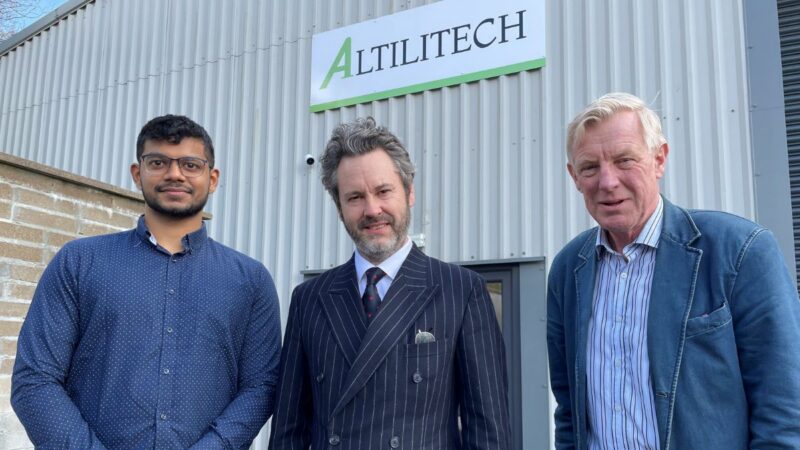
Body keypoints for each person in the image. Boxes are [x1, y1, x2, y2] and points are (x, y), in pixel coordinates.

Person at [546, 92, 800, 449]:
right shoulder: (568, 269)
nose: (607, 182)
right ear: (574, 176)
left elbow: (785, 408)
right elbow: (570, 410)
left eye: (624, 160)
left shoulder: (737, 249)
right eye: (590, 167)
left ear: (658, 159)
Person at [11, 115, 282, 449]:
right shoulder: (79, 262)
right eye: (158, 162)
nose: (174, 174)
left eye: (190, 164)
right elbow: (35, 379)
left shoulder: (250, 281)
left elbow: (262, 387)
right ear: (137, 174)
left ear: (212, 179)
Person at [268, 117, 510, 449]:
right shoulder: (310, 298)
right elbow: (288, 431)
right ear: (339, 207)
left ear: (409, 192)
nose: (372, 209)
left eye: (383, 191)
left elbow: (488, 430)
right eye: (354, 197)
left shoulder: (461, 290)